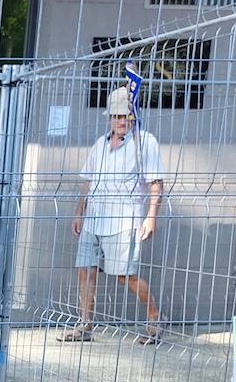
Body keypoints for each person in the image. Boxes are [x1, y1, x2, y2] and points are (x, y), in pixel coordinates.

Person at [61, 85, 165, 345]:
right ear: (109, 117)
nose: (120, 121)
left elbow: (156, 183)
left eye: (125, 116)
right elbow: (88, 181)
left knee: (125, 275)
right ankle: (85, 326)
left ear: (134, 116)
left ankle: (154, 317)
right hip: (94, 218)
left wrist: (151, 217)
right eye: (116, 116)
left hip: (124, 220)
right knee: (85, 270)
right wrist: (79, 213)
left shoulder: (146, 142)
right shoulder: (100, 143)